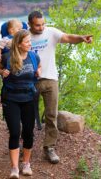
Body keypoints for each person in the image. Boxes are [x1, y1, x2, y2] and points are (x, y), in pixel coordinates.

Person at [28, 10, 92, 164]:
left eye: (43, 24)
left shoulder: (51, 32)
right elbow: (11, 49)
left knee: (51, 115)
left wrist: (81, 38)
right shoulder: (24, 36)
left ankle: (49, 148)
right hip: (30, 80)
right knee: (28, 115)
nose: (41, 27)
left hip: (50, 79)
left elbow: (68, 37)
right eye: (37, 25)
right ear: (30, 24)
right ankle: (26, 146)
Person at [0, 30, 41, 178]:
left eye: (30, 41)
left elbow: (38, 67)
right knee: (15, 132)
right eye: (27, 42)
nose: (30, 44)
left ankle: (26, 164)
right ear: (19, 44)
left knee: (28, 132)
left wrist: (38, 72)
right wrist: (2, 73)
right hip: (11, 99)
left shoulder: (34, 56)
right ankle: (14, 168)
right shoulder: (8, 57)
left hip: (29, 99)